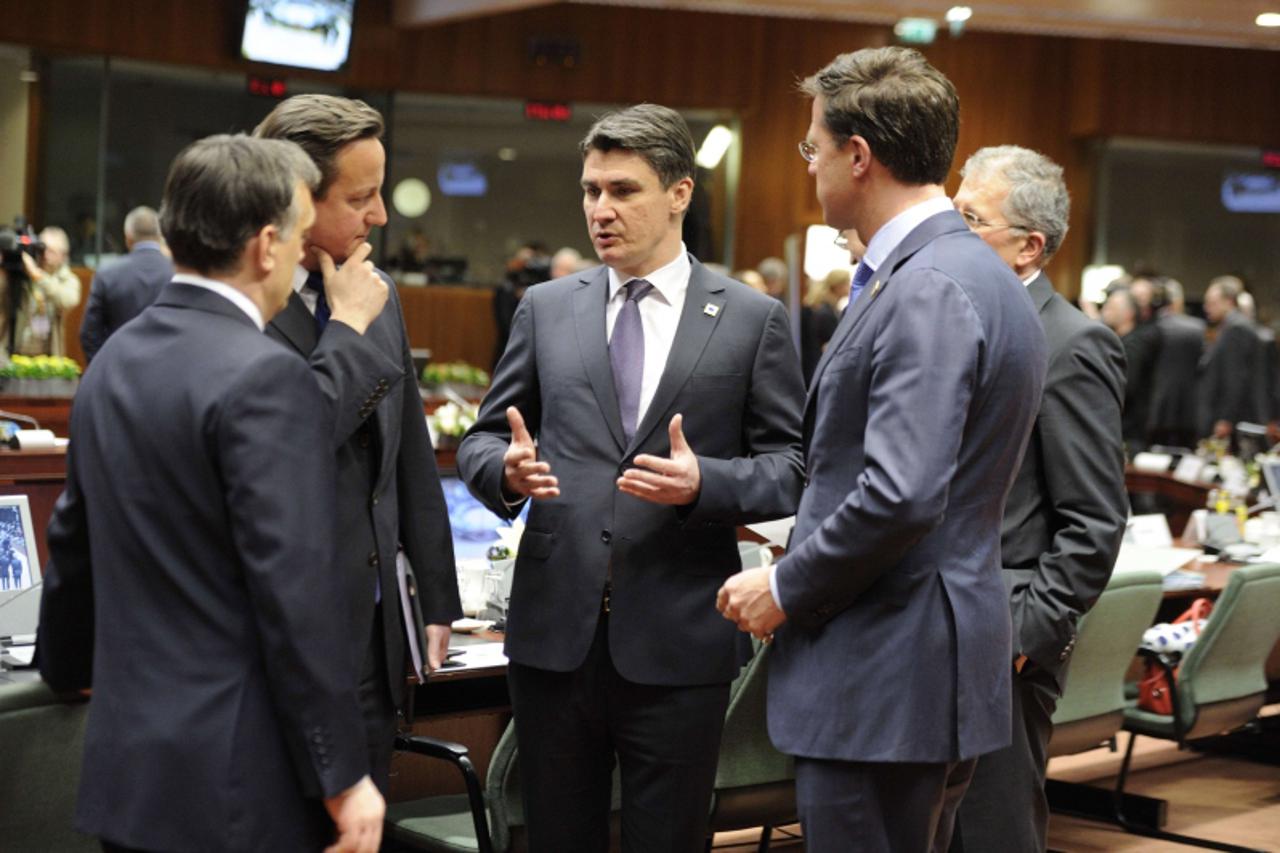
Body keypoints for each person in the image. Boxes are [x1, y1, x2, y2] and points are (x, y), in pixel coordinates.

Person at [717, 47, 1046, 851]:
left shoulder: (926, 284)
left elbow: (901, 491)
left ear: (857, 156)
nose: (809, 168)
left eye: (811, 148)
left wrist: (786, 583)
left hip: (885, 675)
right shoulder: (973, 271)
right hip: (925, 667)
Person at [457, 103, 805, 853]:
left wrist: (703, 483)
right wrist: (508, 472)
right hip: (554, 639)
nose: (600, 210)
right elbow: (483, 439)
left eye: (623, 190)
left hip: (680, 637)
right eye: (591, 191)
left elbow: (791, 471)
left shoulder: (751, 319)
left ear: (679, 193)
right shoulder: (547, 308)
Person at [37, 134, 385, 852]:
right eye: (293, 235)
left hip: (129, 777)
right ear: (265, 245)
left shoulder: (110, 362)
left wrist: (64, 668)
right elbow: (294, 591)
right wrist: (343, 774)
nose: (297, 253)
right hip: (237, 785)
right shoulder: (266, 376)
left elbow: (72, 542)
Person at [253, 94, 462, 791]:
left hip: (375, 636)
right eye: (362, 197)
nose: (380, 216)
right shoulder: (245, 304)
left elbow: (408, 452)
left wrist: (437, 598)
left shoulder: (378, 291)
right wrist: (344, 327)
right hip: (285, 643)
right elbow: (291, 447)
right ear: (297, 202)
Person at [949, 145, 1128, 853]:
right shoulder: (956, 319)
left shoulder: (1073, 344)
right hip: (930, 632)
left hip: (1003, 637)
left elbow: (1094, 519)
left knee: (992, 834)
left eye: (970, 218)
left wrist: (1025, 635)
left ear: (1028, 245)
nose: (950, 233)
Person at [79, 206, 175, 362]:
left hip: (119, 368)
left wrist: (103, 369)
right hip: (166, 369)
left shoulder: (107, 274)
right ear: (160, 236)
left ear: (128, 237)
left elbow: (89, 333)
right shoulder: (177, 273)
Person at [1198, 275, 1259, 440]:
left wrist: (1226, 418)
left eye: (1212, 303)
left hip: (1225, 416)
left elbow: (1235, 377)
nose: (1206, 307)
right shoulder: (1229, 326)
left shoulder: (1236, 329)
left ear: (1229, 302)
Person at [1101, 285, 1160, 451]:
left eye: (1111, 307)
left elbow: (1126, 386)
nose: (1105, 310)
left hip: (1129, 431)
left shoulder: (1135, 345)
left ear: (1128, 314)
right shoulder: (1119, 342)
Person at [1148, 277, 1205, 448]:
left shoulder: (1150, 328)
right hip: (1190, 408)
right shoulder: (1198, 328)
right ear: (1178, 300)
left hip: (1154, 407)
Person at [11, 226, 81, 356]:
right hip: (17, 351)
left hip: (48, 355)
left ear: (63, 256)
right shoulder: (22, 274)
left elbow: (68, 300)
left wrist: (38, 276)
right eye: (42, 249)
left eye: (51, 251)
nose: (44, 255)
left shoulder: (69, 280)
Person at [799, 267, 849, 383]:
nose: (849, 286)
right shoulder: (825, 312)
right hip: (816, 367)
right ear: (838, 286)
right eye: (847, 283)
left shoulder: (828, 308)